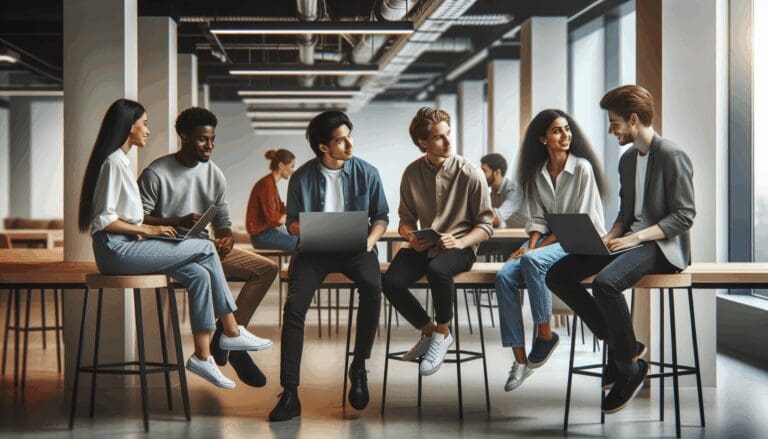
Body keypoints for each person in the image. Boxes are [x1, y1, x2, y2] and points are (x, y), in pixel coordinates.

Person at [80, 99, 270, 390]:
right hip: (118, 249)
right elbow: (102, 220)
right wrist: (148, 226)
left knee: (200, 273)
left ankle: (203, 356)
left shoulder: (122, 161)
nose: (147, 129)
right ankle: (231, 331)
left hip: (132, 246)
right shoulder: (116, 162)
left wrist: (225, 233)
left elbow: (222, 214)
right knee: (204, 248)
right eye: (144, 123)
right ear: (129, 126)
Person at [546, 85, 695, 414]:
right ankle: (622, 344)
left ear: (632, 120)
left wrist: (634, 239)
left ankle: (627, 367)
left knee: (605, 283)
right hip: (629, 240)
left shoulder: (672, 155)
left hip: (660, 246)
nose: (610, 129)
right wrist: (608, 236)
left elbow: (684, 216)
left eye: (614, 122)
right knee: (558, 275)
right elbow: (626, 215)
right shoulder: (628, 160)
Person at [138, 107, 278, 388]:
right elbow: (138, 218)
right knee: (205, 260)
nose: (210, 145)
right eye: (203, 139)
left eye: (212, 139)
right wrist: (173, 221)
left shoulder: (214, 174)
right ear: (184, 136)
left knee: (266, 269)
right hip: (168, 250)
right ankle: (233, 339)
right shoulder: (156, 172)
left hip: (205, 248)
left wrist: (226, 236)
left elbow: (222, 219)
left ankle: (226, 339)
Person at [269, 111, 389, 422]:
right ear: (324, 147)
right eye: (341, 139)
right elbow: (292, 222)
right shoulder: (301, 177)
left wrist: (369, 242)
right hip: (314, 250)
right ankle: (290, 391)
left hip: (357, 249)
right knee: (294, 306)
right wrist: (304, 229)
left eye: (350, 136)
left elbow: (381, 217)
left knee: (374, 288)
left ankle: (359, 366)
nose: (350, 144)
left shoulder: (367, 172)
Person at [494, 109, 608, 391]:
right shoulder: (537, 174)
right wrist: (529, 247)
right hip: (549, 241)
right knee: (505, 276)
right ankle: (520, 361)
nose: (565, 135)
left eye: (567, 129)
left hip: (583, 240)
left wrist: (534, 251)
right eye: (557, 130)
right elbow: (537, 219)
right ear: (543, 138)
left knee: (532, 261)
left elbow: (580, 222)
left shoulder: (582, 168)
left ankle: (544, 334)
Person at [382, 107, 493, 377]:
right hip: (426, 245)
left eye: (448, 134)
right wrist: (410, 237)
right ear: (423, 142)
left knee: (437, 270)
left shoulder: (470, 172)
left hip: (462, 248)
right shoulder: (411, 173)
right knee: (389, 281)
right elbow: (405, 220)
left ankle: (443, 333)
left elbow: (486, 225)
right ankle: (429, 331)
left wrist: (460, 242)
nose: (448, 142)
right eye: (439, 137)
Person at [246, 149, 298, 252]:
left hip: (267, 233)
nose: (293, 170)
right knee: (301, 243)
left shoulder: (271, 183)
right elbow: (274, 218)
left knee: (303, 239)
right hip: (262, 237)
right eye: (292, 166)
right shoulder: (267, 185)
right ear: (281, 166)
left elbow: (281, 212)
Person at [480, 153, 528, 229]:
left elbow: (496, 218)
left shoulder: (514, 190)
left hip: (530, 234)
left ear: (497, 172)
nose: (481, 175)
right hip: (514, 234)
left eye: (484, 171)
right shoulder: (493, 194)